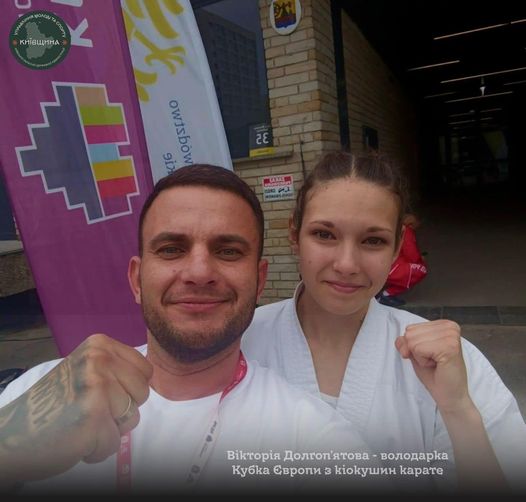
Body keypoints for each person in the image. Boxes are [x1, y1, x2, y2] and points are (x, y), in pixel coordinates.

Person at [0, 165, 387, 495]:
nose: (199, 272)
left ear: (259, 281)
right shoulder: (35, 396)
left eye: (228, 251)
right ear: (136, 280)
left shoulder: (314, 440)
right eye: (171, 249)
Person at [242, 151, 526, 493]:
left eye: (373, 241)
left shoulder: (450, 363)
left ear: (397, 248)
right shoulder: (239, 344)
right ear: (294, 234)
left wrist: (458, 409)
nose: (347, 264)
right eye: (325, 235)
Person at [376, 212, 427, 307]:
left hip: (381, 263)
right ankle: (386, 295)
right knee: (421, 270)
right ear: (412, 223)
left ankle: (379, 293)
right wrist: (421, 259)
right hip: (391, 267)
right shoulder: (406, 231)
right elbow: (411, 254)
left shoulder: (392, 228)